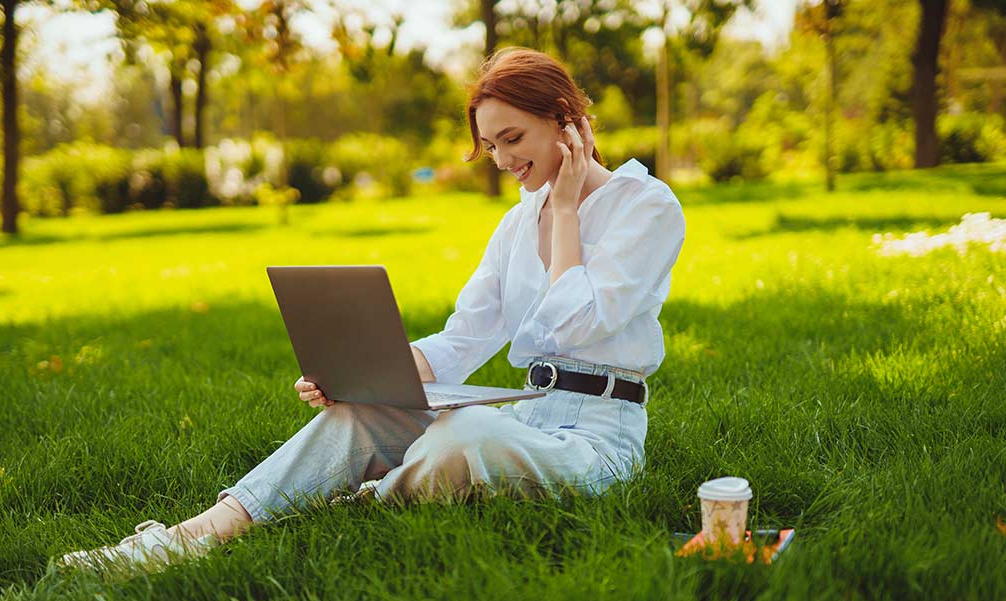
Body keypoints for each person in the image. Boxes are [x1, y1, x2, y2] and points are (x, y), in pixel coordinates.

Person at [57, 47, 686, 572]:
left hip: (597, 437)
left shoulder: (647, 206)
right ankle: (183, 539)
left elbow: (581, 322)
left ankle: (355, 503)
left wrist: (570, 210)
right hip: (526, 411)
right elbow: (463, 339)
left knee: (465, 433)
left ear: (567, 120)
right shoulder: (517, 224)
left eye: (512, 139)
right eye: (490, 145)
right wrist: (367, 373)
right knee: (362, 415)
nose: (500, 160)